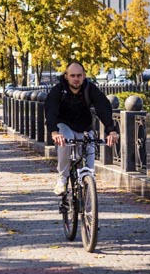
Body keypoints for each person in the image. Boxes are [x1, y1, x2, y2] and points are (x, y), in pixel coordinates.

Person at [44, 60, 119, 195]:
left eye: (79, 75)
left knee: (90, 152)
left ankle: (89, 189)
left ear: (84, 75)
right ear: (66, 76)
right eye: (72, 76)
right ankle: (62, 177)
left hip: (84, 127)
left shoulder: (90, 89)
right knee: (66, 140)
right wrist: (54, 132)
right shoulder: (58, 90)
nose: (76, 79)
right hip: (64, 125)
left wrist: (111, 130)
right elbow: (51, 111)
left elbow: (103, 107)